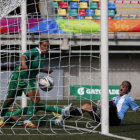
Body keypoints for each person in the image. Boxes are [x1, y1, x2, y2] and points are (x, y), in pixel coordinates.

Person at [0, 39, 53, 128]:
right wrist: (24, 65)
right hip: (19, 77)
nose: (46, 48)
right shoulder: (35, 51)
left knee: (36, 98)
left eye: (48, 46)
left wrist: (47, 71)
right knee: (10, 100)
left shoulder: (43, 56)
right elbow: (23, 56)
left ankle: (27, 121)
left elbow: (36, 68)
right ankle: (1, 117)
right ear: (39, 45)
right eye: (44, 45)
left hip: (30, 79)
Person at [62, 81, 140, 126]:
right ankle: (64, 117)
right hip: (105, 119)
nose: (122, 87)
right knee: (86, 106)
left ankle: (101, 110)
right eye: (122, 85)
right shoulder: (114, 98)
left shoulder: (129, 99)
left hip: (116, 120)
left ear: (128, 90)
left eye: (125, 86)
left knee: (111, 104)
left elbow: (138, 110)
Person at [0, 103, 73, 127]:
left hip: (15, 113)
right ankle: (56, 122)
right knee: (33, 117)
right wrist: (14, 118)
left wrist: (8, 110)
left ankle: (62, 111)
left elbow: (5, 109)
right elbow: (3, 121)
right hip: (13, 117)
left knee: (36, 105)